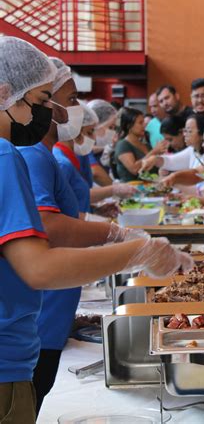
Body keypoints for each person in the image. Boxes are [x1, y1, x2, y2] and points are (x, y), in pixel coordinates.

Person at [0, 37, 193, 423]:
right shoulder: (7, 155)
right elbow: (38, 268)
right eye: (40, 101)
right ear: (6, 93)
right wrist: (139, 251)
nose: (49, 113)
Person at [18, 57, 137, 412]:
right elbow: (50, 227)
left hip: (56, 312)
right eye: (69, 101)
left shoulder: (47, 155)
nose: (77, 111)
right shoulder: (32, 155)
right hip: (41, 319)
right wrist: (124, 242)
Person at [140, 113, 204, 176]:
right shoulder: (192, 150)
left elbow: (196, 179)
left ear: (202, 134)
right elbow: (171, 161)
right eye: (185, 131)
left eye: (189, 131)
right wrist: (154, 159)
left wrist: (173, 179)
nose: (184, 134)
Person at [113, 108, 156, 182]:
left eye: (144, 122)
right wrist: (154, 152)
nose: (144, 125)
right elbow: (134, 169)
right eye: (140, 123)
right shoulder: (123, 145)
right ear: (129, 126)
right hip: (130, 190)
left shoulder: (147, 145)